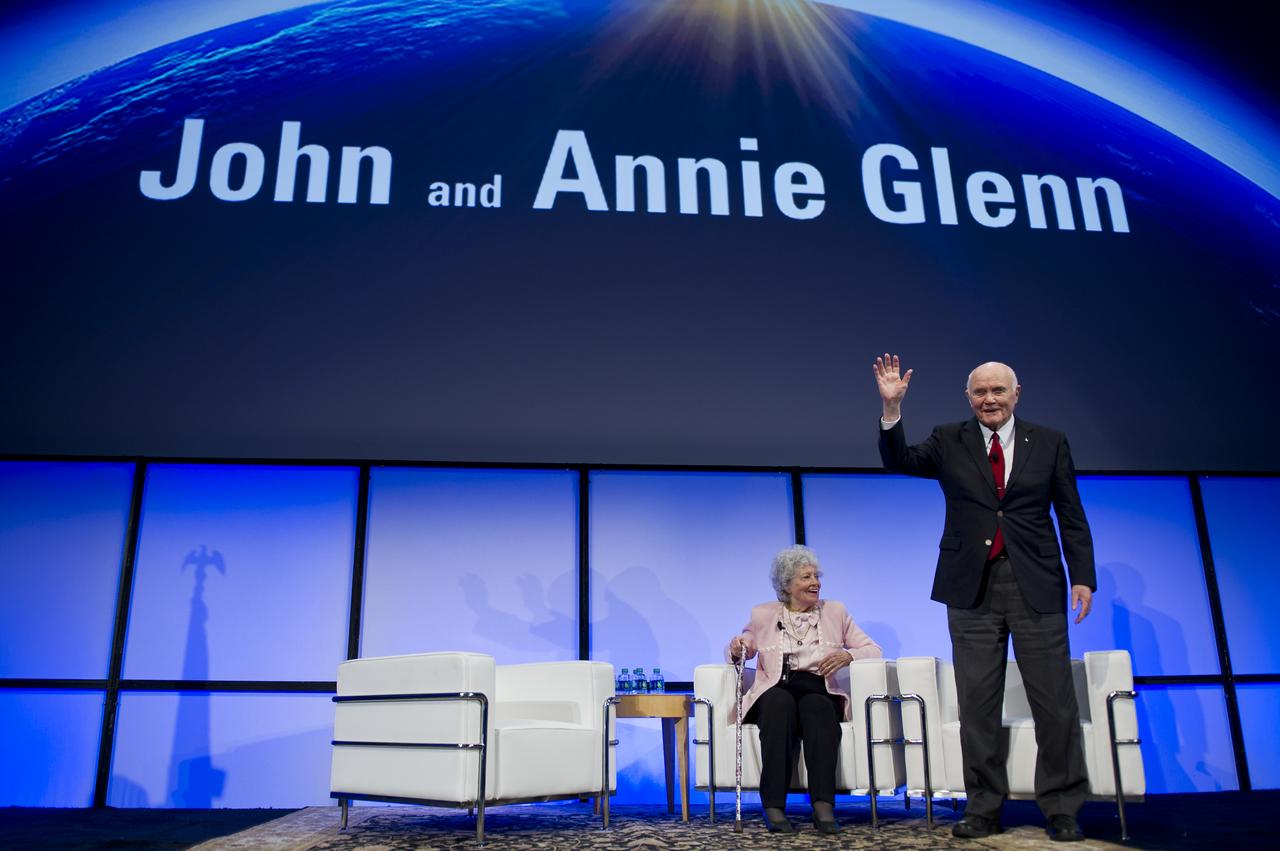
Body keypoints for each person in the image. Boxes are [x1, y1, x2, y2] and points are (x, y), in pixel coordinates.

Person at [873, 354, 1095, 843]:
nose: (989, 399)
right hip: (970, 586)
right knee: (977, 704)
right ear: (968, 397)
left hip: (1035, 582)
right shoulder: (949, 438)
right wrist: (891, 410)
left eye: (998, 391)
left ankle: (1061, 807)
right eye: (980, 392)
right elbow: (899, 460)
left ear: (1017, 394)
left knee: (1054, 704)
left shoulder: (1050, 442)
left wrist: (1083, 577)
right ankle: (982, 807)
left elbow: (1071, 514)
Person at [726, 545, 882, 835]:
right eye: (806, 577)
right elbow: (740, 647)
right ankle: (773, 805)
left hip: (817, 686)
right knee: (778, 707)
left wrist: (849, 655)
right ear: (787, 585)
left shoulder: (835, 612)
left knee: (820, 711)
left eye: (816, 576)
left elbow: (873, 649)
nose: (815, 583)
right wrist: (737, 648)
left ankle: (823, 804)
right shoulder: (763, 614)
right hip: (776, 685)